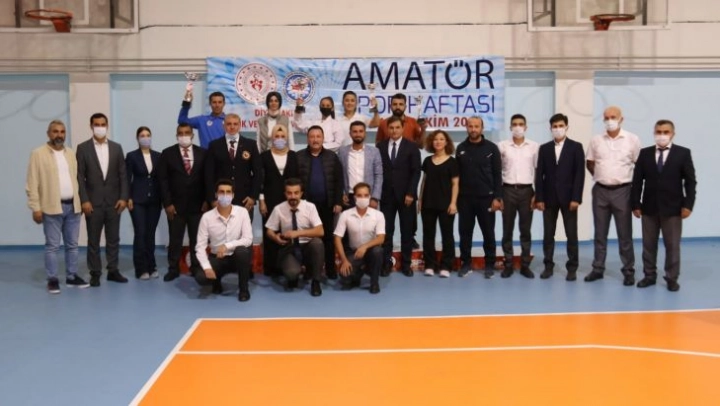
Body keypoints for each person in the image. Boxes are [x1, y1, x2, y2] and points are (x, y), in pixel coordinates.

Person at [631, 120, 696, 292]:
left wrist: (688, 205)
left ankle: (671, 278)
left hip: (673, 208)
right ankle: (649, 275)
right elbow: (637, 181)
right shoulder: (644, 153)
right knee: (648, 245)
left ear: (672, 134)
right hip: (649, 207)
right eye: (658, 131)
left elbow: (690, 182)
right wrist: (635, 204)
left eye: (666, 132)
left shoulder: (683, 153)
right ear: (654, 133)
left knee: (672, 245)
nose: (662, 135)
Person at [26, 120, 88, 293]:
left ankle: (71, 276)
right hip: (51, 207)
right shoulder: (38, 154)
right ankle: (52, 279)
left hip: (72, 207)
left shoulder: (70, 153)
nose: (59, 135)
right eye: (55, 131)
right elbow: (32, 183)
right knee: (52, 246)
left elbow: (77, 179)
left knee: (72, 245)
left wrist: (80, 202)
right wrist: (35, 207)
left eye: (62, 131)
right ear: (48, 133)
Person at [585, 106, 641, 285]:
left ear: (621, 119)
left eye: (613, 117)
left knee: (624, 234)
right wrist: (602, 176)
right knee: (599, 233)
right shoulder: (596, 140)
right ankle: (597, 268)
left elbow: (639, 166)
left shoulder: (632, 139)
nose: (610, 120)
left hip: (623, 191)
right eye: (607, 117)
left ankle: (628, 271)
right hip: (600, 191)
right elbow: (590, 162)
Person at [76, 113, 129, 286]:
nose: (100, 127)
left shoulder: (116, 148)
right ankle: (95, 272)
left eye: (103, 124)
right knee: (93, 240)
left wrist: (123, 197)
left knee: (113, 239)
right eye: (96, 124)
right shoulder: (83, 148)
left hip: (114, 202)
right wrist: (84, 200)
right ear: (91, 126)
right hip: (92, 203)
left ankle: (113, 270)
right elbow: (80, 176)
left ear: (107, 126)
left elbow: (123, 175)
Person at [535, 113, 586, 281]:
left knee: (571, 234)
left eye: (561, 126)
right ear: (550, 128)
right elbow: (539, 175)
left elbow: (579, 174)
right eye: (555, 126)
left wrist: (576, 198)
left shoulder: (576, 147)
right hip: (548, 198)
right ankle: (548, 266)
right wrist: (539, 198)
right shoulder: (544, 148)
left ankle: (572, 268)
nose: (558, 129)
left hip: (569, 199)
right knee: (548, 234)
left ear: (566, 127)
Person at [157, 123, 208, 282]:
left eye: (187, 133)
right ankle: (173, 268)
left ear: (192, 135)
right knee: (175, 239)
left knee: (197, 240)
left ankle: (196, 268)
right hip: (175, 206)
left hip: (198, 206)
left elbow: (207, 179)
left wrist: (207, 200)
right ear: (176, 135)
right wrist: (167, 203)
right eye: (180, 133)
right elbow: (163, 180)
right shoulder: (167, 153)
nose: (184, 135)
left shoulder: (203, 153)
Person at [456, 116, 503, 279]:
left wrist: (498, 197)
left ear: (482, 128)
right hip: (465, 199)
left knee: (488, 233)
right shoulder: (460, 148)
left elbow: (497, 174)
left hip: (486, 199)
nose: (473, 129)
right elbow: (457, 176)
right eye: (470, 126)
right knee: (465, 234)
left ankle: (489, 264)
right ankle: (466, 264)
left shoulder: (492, 148)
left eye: (476, 126)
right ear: (466, 128)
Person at [296, 125, 344, 279]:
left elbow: (339, 181)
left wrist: (338, 202)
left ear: (323, 139)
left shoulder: (332, 157)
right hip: (306, 208)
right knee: (309, 239)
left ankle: (330, 269)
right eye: (312, 136)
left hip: (327, 205)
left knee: (328, 238)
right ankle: (310, 270)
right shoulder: (298, 157)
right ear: (307, 139)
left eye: (318, 136)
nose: (315, 140)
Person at [195, 179, 253, 302]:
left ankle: (244, 290)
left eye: (228, 192)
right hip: (217, 257)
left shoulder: (242, 212)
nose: (225, 195)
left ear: (233, 195)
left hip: (236, 257)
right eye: (221, 192)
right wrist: (207, 267)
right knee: (201, 277)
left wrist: (227, 245)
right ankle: (216, 282)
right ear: (216, 194)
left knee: (242, 252)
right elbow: (200, 247)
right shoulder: (207, 217)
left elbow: (248, 239)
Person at [377, 116, 421, 277]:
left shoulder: (412, 146)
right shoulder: (380, 146)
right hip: (386, 196)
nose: (394, 130)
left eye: (397, 127)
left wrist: (411, 193)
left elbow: (416, 172)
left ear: (402, 128)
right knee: (387, 232)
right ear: (387, 129)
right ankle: (386, 263)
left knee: (407, 232)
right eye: (391, 128)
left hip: (406, 197)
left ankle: (406, 265)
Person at [265, 178, 324, 296]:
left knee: (317, 243)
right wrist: (275, 237)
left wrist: (297, 233)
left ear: (301, 193)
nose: (293, 196)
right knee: (291, 274)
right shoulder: (278, 209)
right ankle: (295, 275)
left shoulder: (310, 207)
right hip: (289, 248)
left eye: (296, 193)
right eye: (289, 193)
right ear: (285, 194)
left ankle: (316, 282)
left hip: (307, 246)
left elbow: (320, 231)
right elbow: (269, 230)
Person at [498, 114, 539, 278]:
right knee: (507, 229)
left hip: (527, 191)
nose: (518, 127)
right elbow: (496, 172)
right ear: (510, 127)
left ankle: (525, 265)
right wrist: (498, 195)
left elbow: (538, 172)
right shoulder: (502, 146)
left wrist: (537, 194)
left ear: (526, 127)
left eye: (521, 124)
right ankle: (508, 264)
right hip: (507, 190)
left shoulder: (534, 147)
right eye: (514, 124)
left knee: (525, 230)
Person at [259, 124, 299, 278]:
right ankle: (270, 268)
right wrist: (261, 200)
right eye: (277, 136)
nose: (280, 139)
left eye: (283, 136)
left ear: (287, 138)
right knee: (270, 232)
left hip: (290, 200)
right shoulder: (264, 156)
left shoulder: (294, 156)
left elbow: (298, 179)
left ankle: (289, 266)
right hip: (269, 200)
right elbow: (260, 180)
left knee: (287, 231)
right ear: (272, 138)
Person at [205, 113, 261, 222]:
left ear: (240, 126)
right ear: (224, 126)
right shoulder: (214, 145)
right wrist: (212, 199)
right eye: (229, 124)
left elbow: (258, 173)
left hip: (245, 200)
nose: (232, 127)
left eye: (235, 124)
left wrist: (253, 197)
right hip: (221, 198)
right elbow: (208, 174)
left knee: (244, 231)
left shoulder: (250, 145)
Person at [418, 130, 458, 278]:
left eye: (441, 139)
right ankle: (430, 265)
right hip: (428, 203)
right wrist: (420, 200)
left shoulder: (452, 162)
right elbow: (424, 181)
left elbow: (455, 184)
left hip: (446, 204)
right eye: (435, 139)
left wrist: (453, 203)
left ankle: (446, 265)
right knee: (428, 235)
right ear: (431, 142)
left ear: (446, 142)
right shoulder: (427, 161)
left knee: (447, 236)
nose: (438, 142)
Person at [334, 182, 385, 294]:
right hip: (354, 253)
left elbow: (381, 238)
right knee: (345, 278)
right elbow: (337, 238)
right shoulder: (346, 214)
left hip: (371, 252)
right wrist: (344, 260)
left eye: (366, 195)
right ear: (354, 197)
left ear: (370, 196)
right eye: (359, 195)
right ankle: (357, 274)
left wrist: (364, 247)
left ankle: (374, 282)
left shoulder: (378, 215)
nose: (363, 198)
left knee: (378, 251)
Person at [125, 126, 162, 280]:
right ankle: (141, 268)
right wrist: (128, 197)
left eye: (148, 135)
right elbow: (127, 178)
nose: (145, 138)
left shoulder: (158, 156)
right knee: (140, 233)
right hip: (137, 200)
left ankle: (151, 266)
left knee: (150, 234)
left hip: (154, 200)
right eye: (142, 135)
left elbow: (161, 178)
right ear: (137, 138)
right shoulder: (132, 156)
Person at [337, 121, 383, 208]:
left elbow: (378, 175)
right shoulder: (342, 151)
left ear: (365, 133)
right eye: (355, 131)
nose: (358, 134)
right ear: (350, 134)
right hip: (349, 197)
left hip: (368, 196)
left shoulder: (374, 152)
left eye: (361, 131)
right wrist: (342, 194)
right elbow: (339, 175)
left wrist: (375, 197)